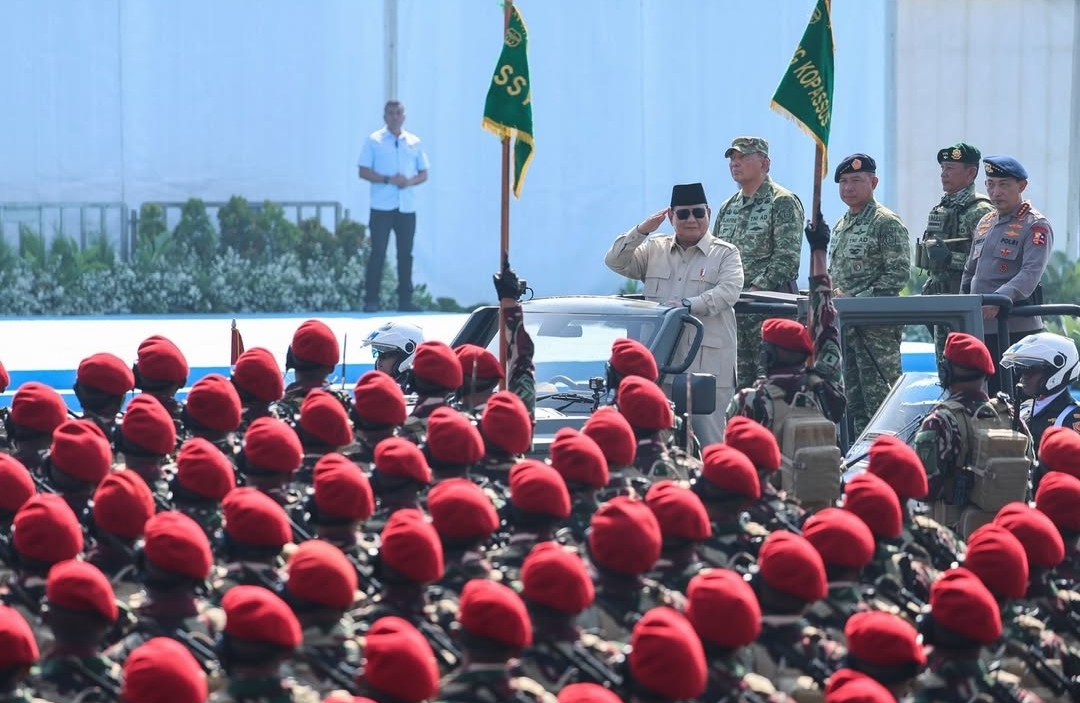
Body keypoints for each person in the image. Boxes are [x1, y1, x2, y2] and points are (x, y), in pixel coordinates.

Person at [604, 182, 744, 446]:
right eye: (683, 214)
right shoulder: (654, 250)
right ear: (670, 216)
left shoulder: (725, 254)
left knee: (710, 444)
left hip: (706, 373)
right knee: (658, 442)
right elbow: (615, 261)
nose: (691, 220)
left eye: (698, 212)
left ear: (708, 213)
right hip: (661, 368)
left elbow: (729, 292)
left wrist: (687, 305)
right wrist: (642, 230)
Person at [913, 332, 1033, 537]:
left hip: (953, 538)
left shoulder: (940, 422)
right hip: (1008, 534)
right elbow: (1029, 477)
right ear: (986, 375)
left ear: (945, 373)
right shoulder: (1012, 418)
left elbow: (922, 488)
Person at [828, 154, 911, 438]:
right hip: (845, 328)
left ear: (873, 183)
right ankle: (858, 456)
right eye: (843, 182)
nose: (848, 188)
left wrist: (857, 300)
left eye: (856, 180)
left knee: (882, 403)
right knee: (853, 404)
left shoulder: (885, 222)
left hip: (876, 330)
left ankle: (887, 456)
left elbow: (898, 275)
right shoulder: (841, 224)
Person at [712, 136, 805, 389]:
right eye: (733, 158)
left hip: (769, 313)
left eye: (743, 157)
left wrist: (754, 291)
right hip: (734, 316)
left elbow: (787, 259)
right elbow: (715, 255)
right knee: (738, 390)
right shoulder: (728, 207)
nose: (735, 163)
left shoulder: (782, 201)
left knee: (773, 389)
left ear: (765, 163)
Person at [961, 155, 1053, 394]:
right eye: (991, 185)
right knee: (985, 398)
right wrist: (962, 307)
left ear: (1021, 186)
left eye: (1004, 185)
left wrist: (998, 300)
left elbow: (1030, 274)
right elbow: (970, 271)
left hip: (1016, 329)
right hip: (982, 329)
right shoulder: (986, 222)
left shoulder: (1035, 225)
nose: (996, 192)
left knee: (1016, 399)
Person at [918, 142, 994, 359]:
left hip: (964, 300)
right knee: (944, 364)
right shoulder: (941, 209)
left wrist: (950, 258)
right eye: (943, 168)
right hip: (939, 298)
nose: (944, 174)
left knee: (965, 363)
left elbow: (988, 262)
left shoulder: (981, 210)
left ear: (971, 172)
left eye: (950, 168)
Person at [357, 100, 430, 313]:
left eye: (398, 113)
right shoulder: (374, 140)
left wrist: (408, 181)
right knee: (378, 252)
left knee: (405, 253)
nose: (394, 117)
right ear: (384, 116)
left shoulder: (414, 141)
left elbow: (423, 173)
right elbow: (363, 171)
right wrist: (388, 179)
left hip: (406, 207)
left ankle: (405, 300)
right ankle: (371, 299)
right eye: (391, 113)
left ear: (403, 116)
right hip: (381, 206)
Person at [1000, 332, 1080, 480]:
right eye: (1021, 369)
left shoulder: (1072, 417)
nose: (1023, 376)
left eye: (1031, 369)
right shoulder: (1023, 408)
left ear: (1056, 371)